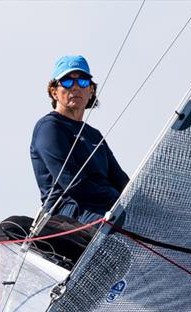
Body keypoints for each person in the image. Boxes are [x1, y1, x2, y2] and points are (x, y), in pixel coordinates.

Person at [30, 54, 129, 224]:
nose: (75, 87)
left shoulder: (94, 135)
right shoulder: (49, 127)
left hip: (103, 206)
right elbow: (73, 184)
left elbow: (120, 180)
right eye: (67, 82)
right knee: (121, 220)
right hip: (66, 212)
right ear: (54, 92)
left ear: (91, 91)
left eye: (82, 81)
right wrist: (116, 200)